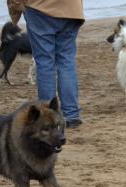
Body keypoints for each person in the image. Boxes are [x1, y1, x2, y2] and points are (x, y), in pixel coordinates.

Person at [24, 0, 84, 128]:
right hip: (70, 8)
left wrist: (18, 6)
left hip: (39, 8)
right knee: (66, 61)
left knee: (45, 62)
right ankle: (72, 115)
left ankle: (48, 115)